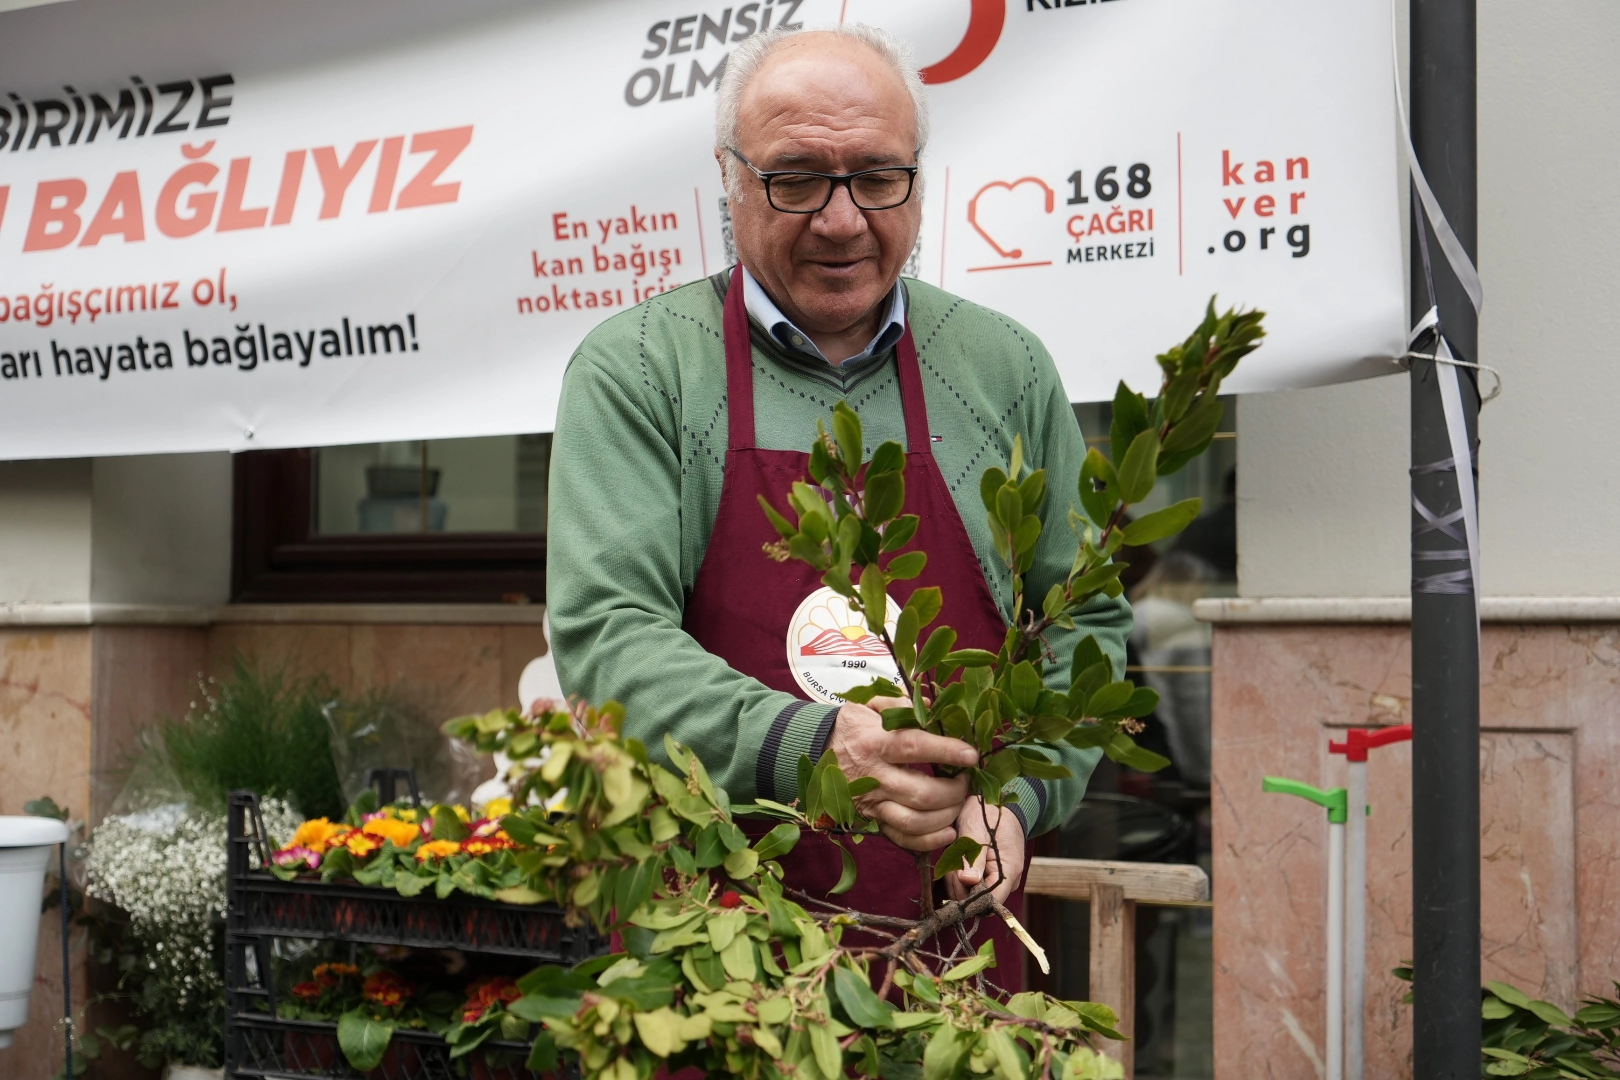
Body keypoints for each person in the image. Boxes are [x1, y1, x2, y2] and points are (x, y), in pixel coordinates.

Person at [547, 24, 1131, 983]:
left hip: (956, 960)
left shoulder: (1006, 369)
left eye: (877, 177)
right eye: (797, 179)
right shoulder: (643, 369)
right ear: (730, 179)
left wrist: (1018, 798)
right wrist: (813, 747)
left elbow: (1085, 620)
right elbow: (608, 639)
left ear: (918, 180)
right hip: (709, 954)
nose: (842, 219)